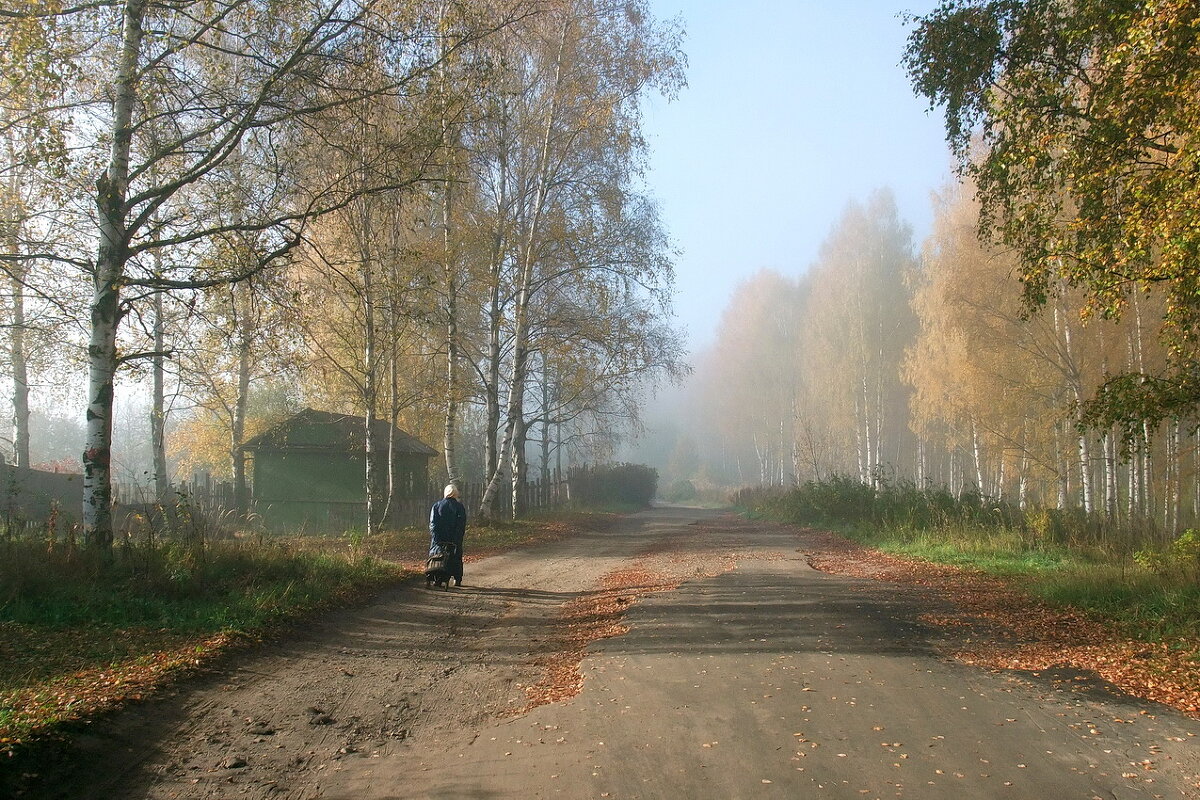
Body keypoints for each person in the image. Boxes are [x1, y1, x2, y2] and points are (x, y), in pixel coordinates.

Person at [429, 483, 467, 586]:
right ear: (455, 494)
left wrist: (436, 538)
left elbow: (433, 524)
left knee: (439, 557)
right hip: (454, 538)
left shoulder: (436, 506)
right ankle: (457, 579)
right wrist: (457, 538)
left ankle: (438, 578)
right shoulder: (459, 507)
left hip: (439, 539)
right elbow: (461, 525)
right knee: (456, 557)